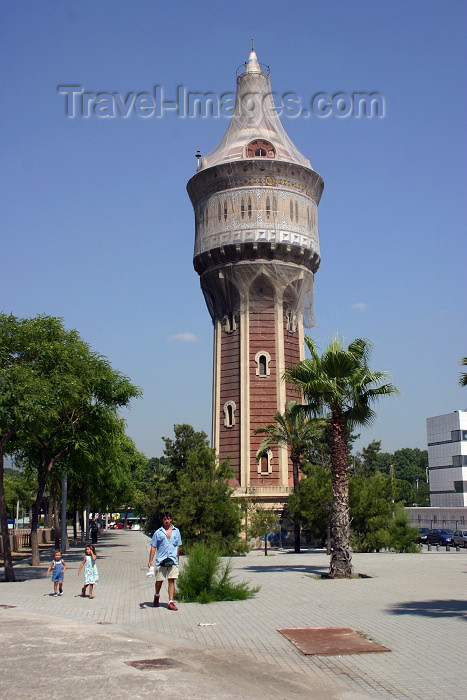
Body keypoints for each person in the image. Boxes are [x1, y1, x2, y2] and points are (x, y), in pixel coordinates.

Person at [148, 511, 182, 611]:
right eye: (164, 519)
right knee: (159, 580)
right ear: (162, 520)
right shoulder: (158, 532)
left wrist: (177, 559)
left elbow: (178, 546)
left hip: (172, 559)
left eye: (168, 519)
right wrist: (150, 560)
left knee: (171, 580)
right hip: (161, 560)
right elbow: (153, 546)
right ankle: (157, 596)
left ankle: (171, 602)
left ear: (171, 519)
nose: (167, 521)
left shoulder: (176, 531)